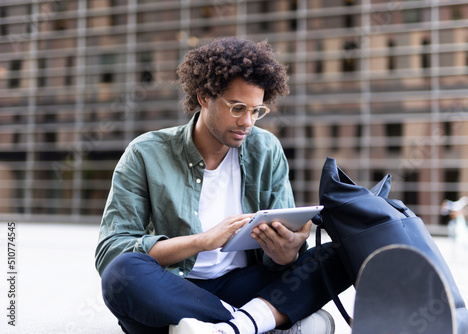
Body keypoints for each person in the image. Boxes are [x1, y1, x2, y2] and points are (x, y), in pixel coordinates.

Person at [95, 37, 351, 334]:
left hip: (243, 284)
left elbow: (283, 258)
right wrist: (203, 241)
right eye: (238, 107)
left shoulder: (266, 150)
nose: (248, 122)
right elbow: (112, 250)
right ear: (205, 97)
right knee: (122, 274)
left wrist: (287, 252)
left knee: (339, 253)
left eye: (257, 111)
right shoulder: (146, 153)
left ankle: (228, 328)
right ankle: (264, 321)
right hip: (174, 290)